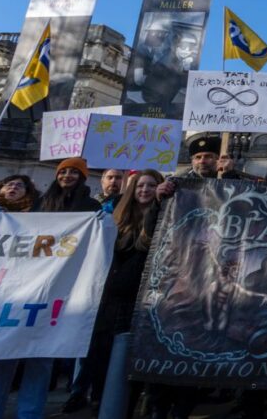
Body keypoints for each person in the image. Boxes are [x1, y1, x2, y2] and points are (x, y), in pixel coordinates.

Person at [0, 158, 100, 419]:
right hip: (21, 287)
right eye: (63, 171)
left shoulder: (90, 206)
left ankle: (29, 414)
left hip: (57, 290)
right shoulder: (39, 203)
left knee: (40, 360)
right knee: (0, 358)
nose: (66, 176)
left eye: (73, 172)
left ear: (83, 177)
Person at [87, 171, 164, 419]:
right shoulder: (114, 218)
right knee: (102, 360)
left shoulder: (163, 215)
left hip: (142, 300)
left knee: (129, 363)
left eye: (152, 185)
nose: (145, 189)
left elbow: (150, 242)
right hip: (111, 300)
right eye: (140, 185)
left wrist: (160, 204)